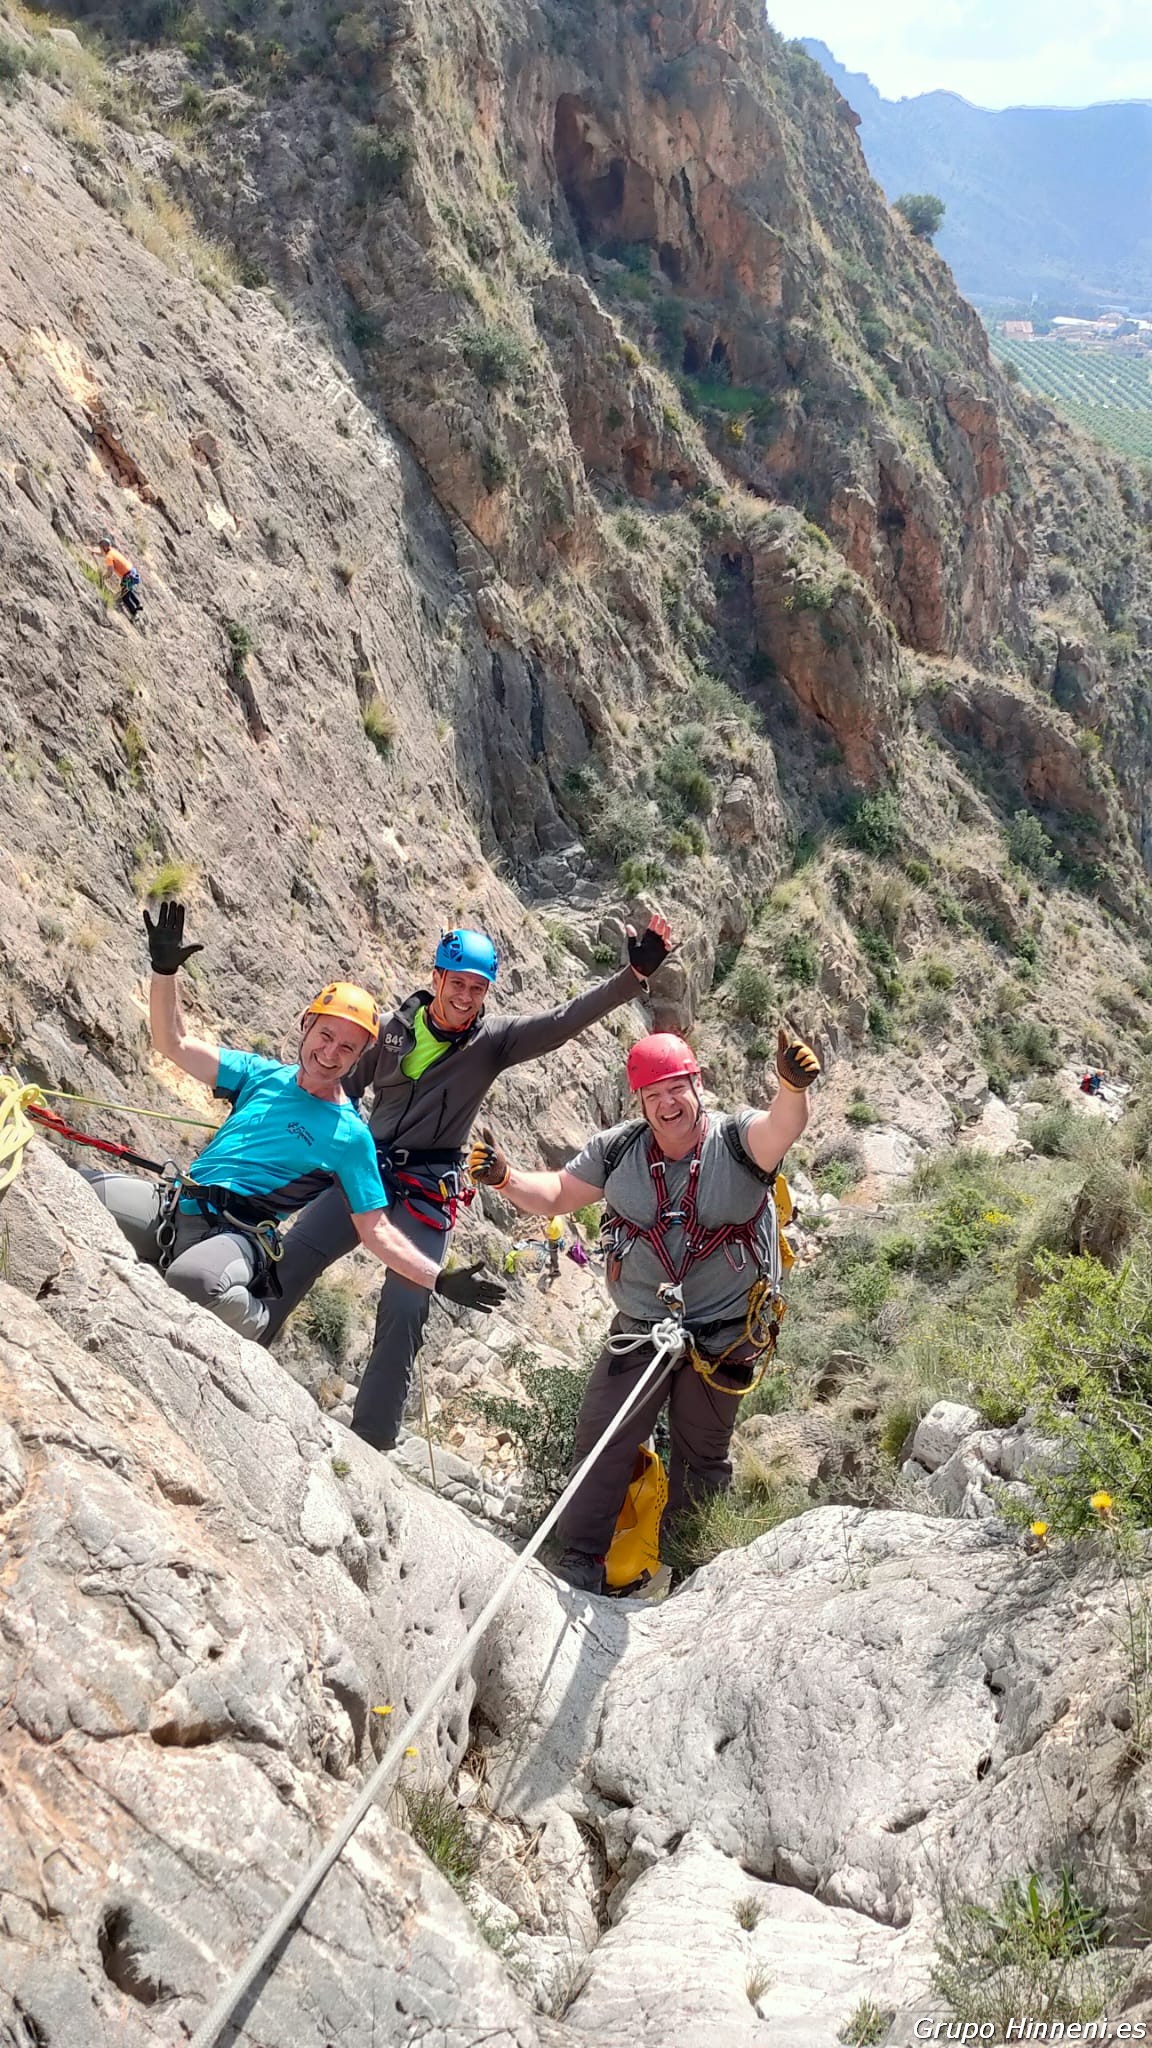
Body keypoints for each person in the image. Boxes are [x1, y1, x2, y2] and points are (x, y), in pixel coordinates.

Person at [260, 913, 674, 1453]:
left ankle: (371, 1442)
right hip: (366, 1168)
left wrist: (630, 978)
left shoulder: (492, 1042)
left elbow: (561, 1021)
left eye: (478, 988)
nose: (466, 997)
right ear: (436, 978)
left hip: (426, 1186)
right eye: (457, 983)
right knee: (295, 1255)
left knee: (407, 1301)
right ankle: (241, 1342)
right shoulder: (388, 1033)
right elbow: (338, 1085)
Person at [469, 1025, 821, 1592]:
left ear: (697, 1084)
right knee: (601, 1437)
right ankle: (582, 1557)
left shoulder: (736, 1142)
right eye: (653, 1094)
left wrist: (791, 1088)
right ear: (639, 1101)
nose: (666, 1104)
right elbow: (559, 1193)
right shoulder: (618, 1151)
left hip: (724, 1335)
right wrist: (506, 1178)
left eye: (676, 1088)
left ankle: (690, 1567)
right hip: (641, 1328)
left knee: (701, 1456)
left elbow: (782, 1127)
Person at [84, 900, 505, 1340]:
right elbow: (172, 1043)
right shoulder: (258, 1074)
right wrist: (164, 971)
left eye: (347, 1049)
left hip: (238, 1237)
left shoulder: (349, 1136)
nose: (330, 1053)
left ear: (360, 1058)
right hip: (176, 1205)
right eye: (326, 1035)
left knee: (192, 1281)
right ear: (306, 1025)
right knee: (76, 1186)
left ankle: (256, 1321)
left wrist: (437, 1278)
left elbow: (376, 1229)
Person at [99, 534, 143, 619]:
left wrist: (103, 578)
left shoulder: (109, 557)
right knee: (128, 590)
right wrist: (94, 552)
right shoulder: (112, 551)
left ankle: (135, 614)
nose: (100, 549)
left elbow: (110, 572)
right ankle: (138, 604)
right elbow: (102, 554)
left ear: (104, 547)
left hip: (128, 576)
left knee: (124, 597)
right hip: (132, 571)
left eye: (101, 547)